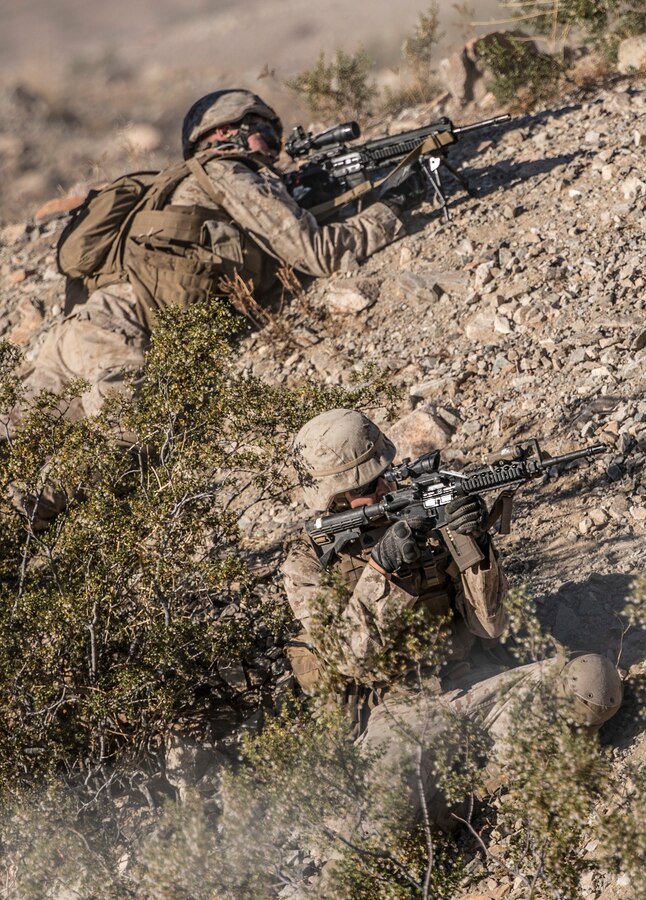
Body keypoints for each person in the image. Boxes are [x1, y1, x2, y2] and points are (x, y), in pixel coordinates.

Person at [4, 90, 419, 525]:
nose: (275, 150)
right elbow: (318, 253)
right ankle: (19, 539)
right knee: (128, 447)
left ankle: (14, 539)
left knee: (17, 449)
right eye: (265, 134)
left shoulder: (177, 185)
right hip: (118, 336)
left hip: (77, 332)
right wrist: (391, 208)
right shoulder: (228, 170)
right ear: (223, 133)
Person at [282, 408, 623, 829]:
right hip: (399, 713)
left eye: (385, 474)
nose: (386, 486)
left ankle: (483, 776)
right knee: (382, 815)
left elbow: (490, 626)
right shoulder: (307, 563)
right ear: (332, 500)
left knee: (594, 683)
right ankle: (460, 792)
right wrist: (383, 570)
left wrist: (474, 543)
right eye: (368, 486)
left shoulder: (424, 515)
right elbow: (350, 660)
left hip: (473, 683)